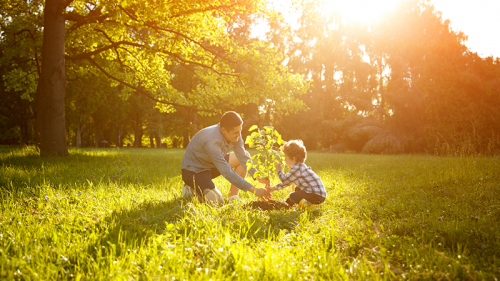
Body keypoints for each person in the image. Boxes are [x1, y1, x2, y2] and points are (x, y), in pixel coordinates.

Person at [181, 111, 270, 203]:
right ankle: (190, 189)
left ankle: (233, 196)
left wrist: (258, 176)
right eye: (236, 132)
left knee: (246, 155)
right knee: (218, 201)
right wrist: (254, 190)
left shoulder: (235, 135)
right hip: (194, 172)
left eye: (240, 131)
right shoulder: (212, 141)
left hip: (211, 165)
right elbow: (227, 172)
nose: (239, 135)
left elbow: (243, 157)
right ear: (223, 130)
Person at [267, 140, 327, 207]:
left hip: (315, 195)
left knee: (293, 195)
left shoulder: (297, 168)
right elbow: (288, 182)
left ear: (293, 159)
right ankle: (289, 205)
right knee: (297, 189)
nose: (284, 160)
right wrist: (274, 188)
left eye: (285, 157)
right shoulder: (300, 167)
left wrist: (279, 170)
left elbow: (285, 180)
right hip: (318, 194)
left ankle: (309, 207)